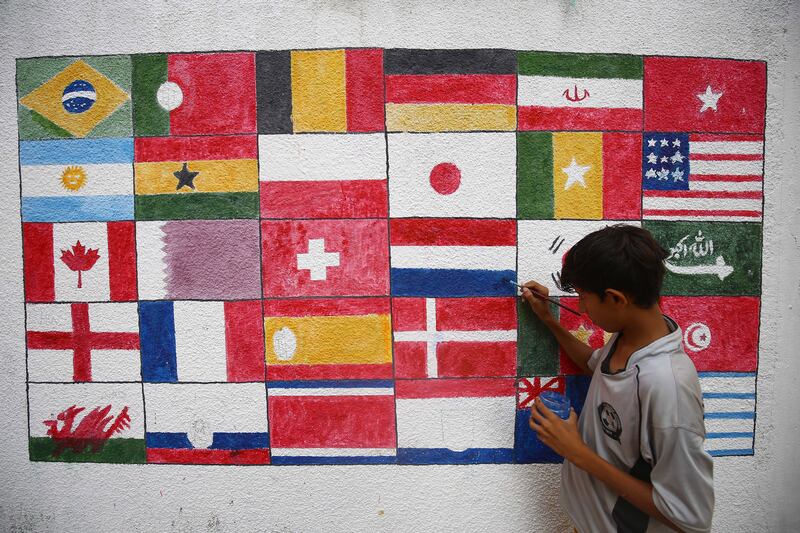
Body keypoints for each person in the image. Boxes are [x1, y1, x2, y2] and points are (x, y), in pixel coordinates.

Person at [522, 224, 714, 533]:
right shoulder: (630, 337)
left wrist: (578, 453)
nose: (581, 308)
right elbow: (594, 364)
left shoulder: (668, 387)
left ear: (615, 299)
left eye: (584, 297)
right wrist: (547, 319)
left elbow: (689, 516)